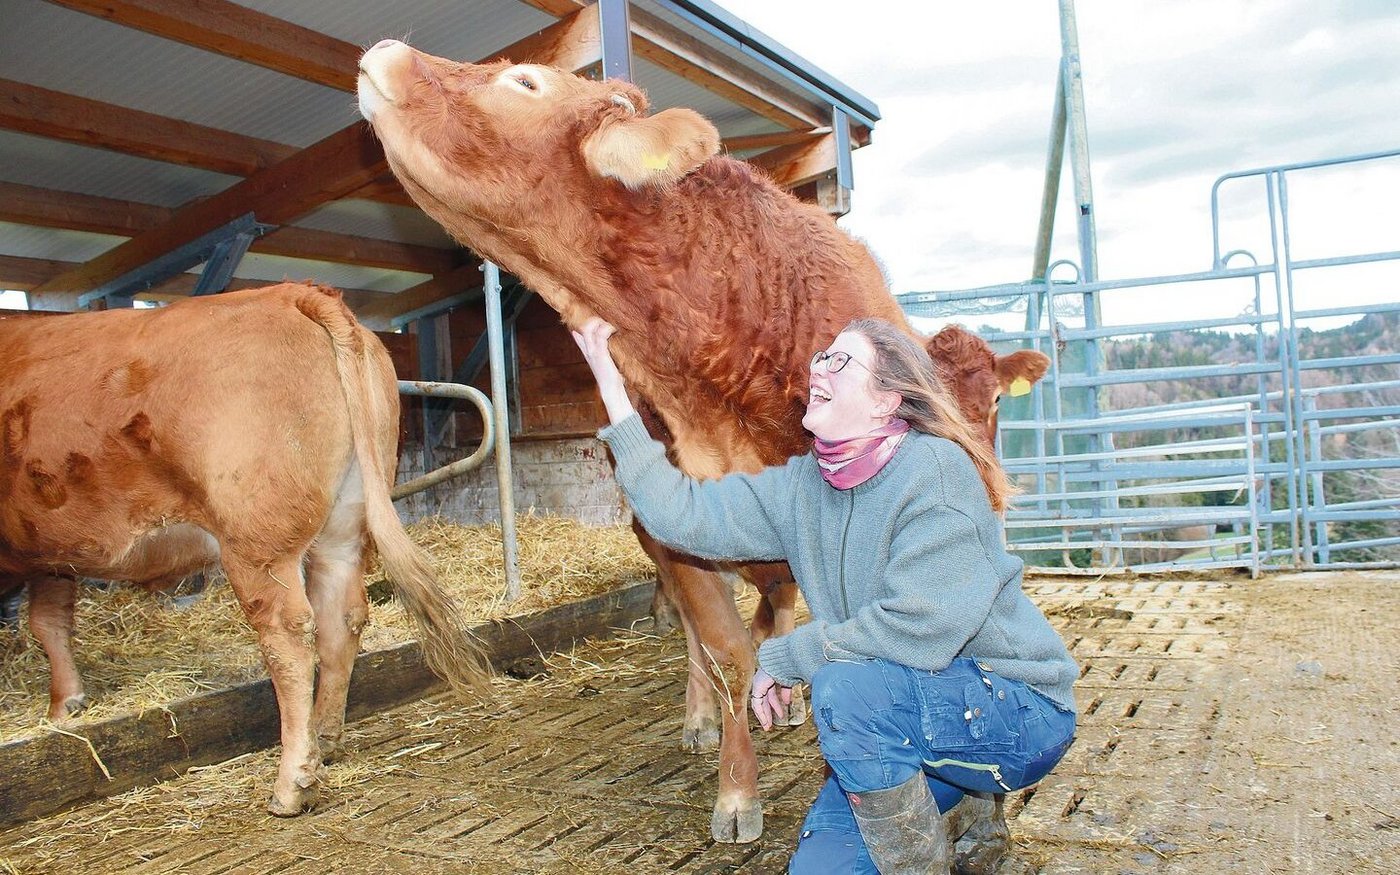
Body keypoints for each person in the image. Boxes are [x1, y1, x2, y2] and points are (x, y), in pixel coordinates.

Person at [572, 316, 1078, 875]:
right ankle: (943, 812)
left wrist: (786, 656)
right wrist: (614, 394)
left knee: (845, 687)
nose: (819, 368)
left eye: (841, 360)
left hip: (1016, 710)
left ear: (886, 400)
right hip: (906, 714)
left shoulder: (934, 470)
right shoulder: (806, 485)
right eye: (821, 357)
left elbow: (919, 627)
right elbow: (681, 516)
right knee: (819, 867)